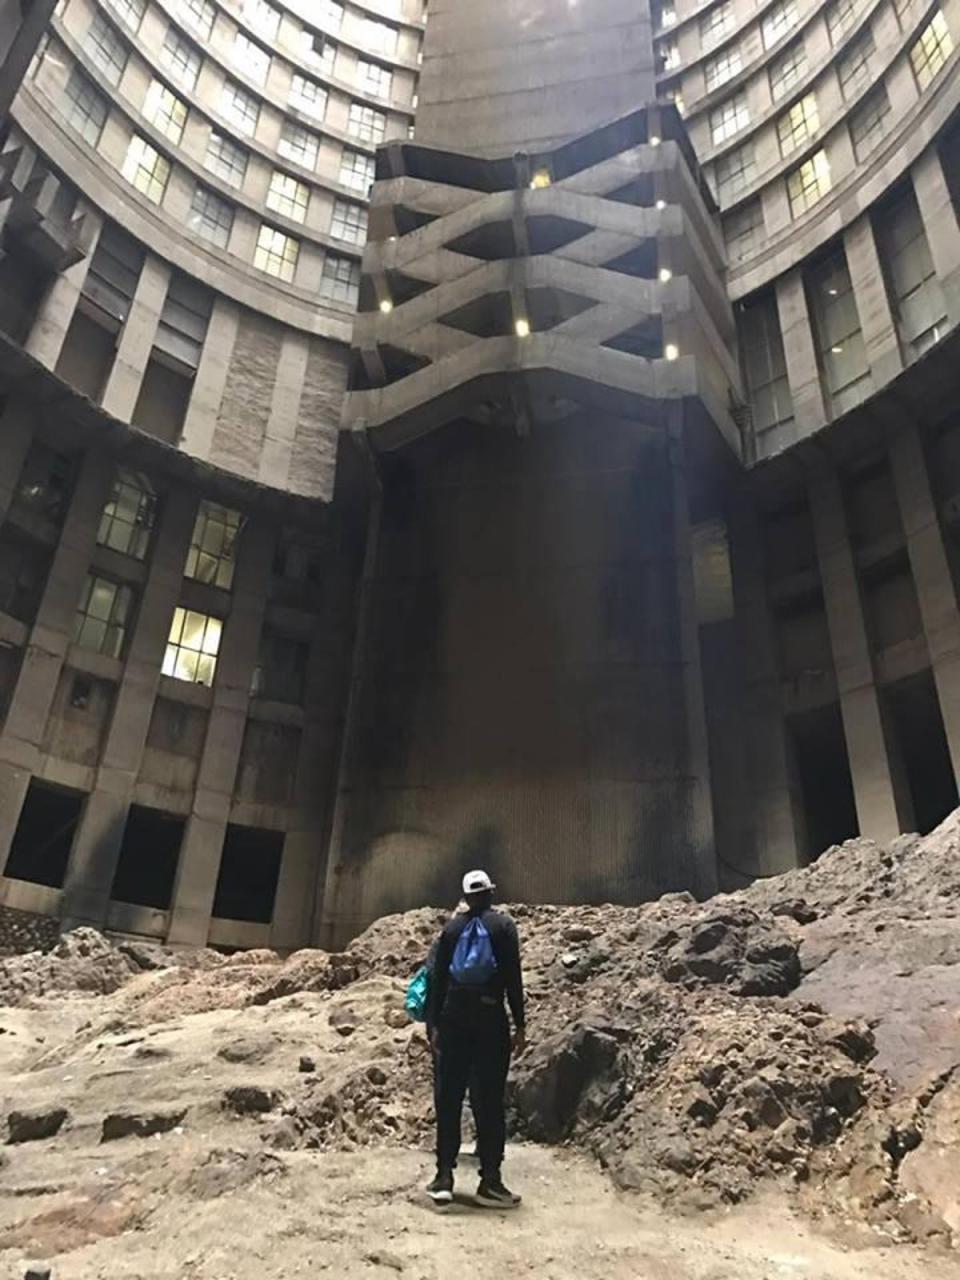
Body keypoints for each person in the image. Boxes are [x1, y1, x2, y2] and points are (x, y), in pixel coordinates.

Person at [426, 869, 526, 1209]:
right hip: (490, 1020)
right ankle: (491, 1181)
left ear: (466, 897)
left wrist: (432, 1026)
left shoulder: (451, 929)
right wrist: (520, 1023)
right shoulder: (504, 927)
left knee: (448, 1097)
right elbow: (513, 975)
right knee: (489, 1100)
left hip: (452, 1020)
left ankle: (443, 1177)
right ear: (491, 894)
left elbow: (437, 978)